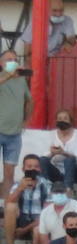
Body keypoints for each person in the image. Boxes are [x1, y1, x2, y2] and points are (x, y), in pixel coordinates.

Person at [2, 153, 50, 244]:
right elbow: (7, 204)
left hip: (38, 223)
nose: (33, 169)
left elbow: (48, 214)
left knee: (39, 229)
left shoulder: (46, 185)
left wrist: (24, 230)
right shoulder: (18, 184)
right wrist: (20, 189)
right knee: (10, 206)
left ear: (40, 169)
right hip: (22, 221)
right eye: (29, 166)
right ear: (23, 169)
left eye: (36, 167)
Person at [0, 50, 32, 205]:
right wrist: (8, 76)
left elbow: (29, 100)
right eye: (8, 59)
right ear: (1, 63)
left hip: (14, 134)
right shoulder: (3, 77)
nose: (12, 61)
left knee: (9, 172)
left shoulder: (21, 79)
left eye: (14, 59)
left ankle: (5, 207)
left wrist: (26, 120)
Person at [41, 107, 77, 195]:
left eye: (65, 118)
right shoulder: (51, 134)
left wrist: (63, 152)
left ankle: (68, 190)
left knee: (69, 160)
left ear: (71, 121)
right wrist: (52, 153)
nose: (62, 121)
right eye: (59, 119)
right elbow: (44, 157)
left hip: (75, 173)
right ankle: (44, 188)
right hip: (56, 172)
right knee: (42, 160)